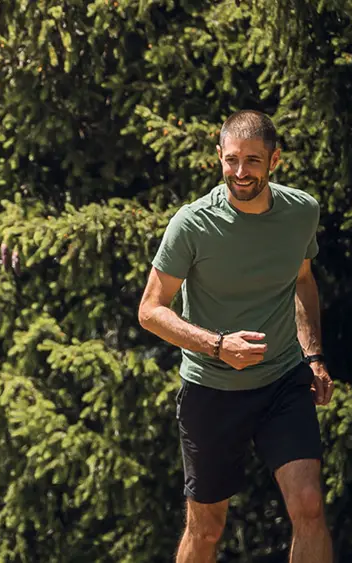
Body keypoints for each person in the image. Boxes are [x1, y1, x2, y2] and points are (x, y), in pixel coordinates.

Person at [137, 110, 334, 563]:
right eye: (231, 160)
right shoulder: (192, 224)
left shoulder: (301, 211)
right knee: (207, 529)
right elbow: (150, 310)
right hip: (212, 390)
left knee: (309, 505)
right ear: (219, 158)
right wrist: (218, 346)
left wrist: (314, 355)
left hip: (284, 380)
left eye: (252, 161)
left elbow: (303, 280)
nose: (240, 172)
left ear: (274, 160)